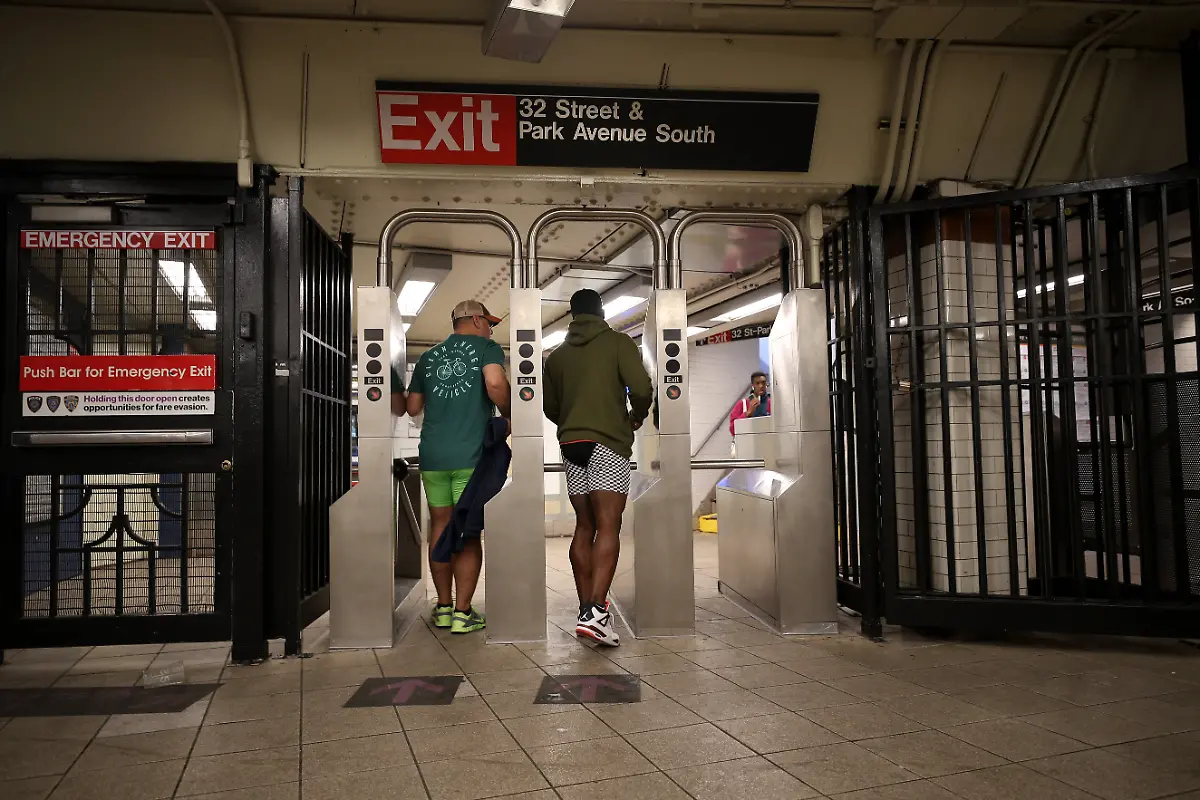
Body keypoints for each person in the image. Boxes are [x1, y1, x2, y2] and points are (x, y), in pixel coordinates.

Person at [543, 289, 653, 647]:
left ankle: (585, 609)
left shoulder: (556, 357)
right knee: (609, 524)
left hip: (571, 444)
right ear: (602, 311)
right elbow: (640, 387)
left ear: (572, 315)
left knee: (584, 524)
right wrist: (635, 416)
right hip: (608, 443)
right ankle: (595, 614)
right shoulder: (619, 344)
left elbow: (550, 407)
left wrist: (573, 422)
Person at [406, 299, 510, 635]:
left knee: (440, 526)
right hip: (470, 457)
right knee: (467, 531)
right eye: (490, 322)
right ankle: (464, 613)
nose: (492, 328)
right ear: (478, 320)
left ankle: (444, 607)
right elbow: (494, 385)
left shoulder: (428, 357)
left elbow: (412, 407)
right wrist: (511, 411)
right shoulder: (486, 347)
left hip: (433, 457)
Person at [729, 370, 771, 436]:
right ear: (753, 386)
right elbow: (732, 430)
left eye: (763, 383)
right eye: (757, 383)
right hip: (748, 444)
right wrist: (748, 413)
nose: (761, 386)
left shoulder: (772, 404)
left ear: (766, 384)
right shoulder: (742, 404)